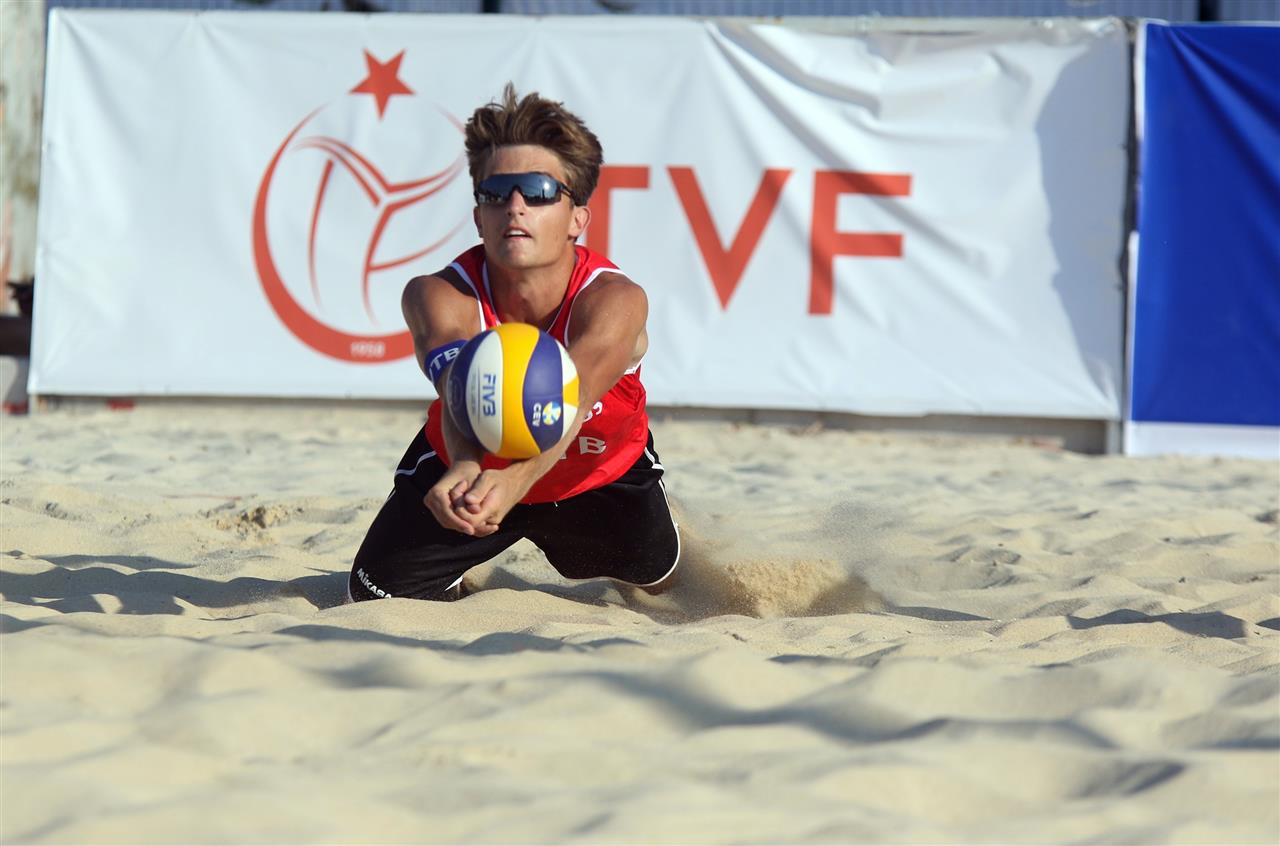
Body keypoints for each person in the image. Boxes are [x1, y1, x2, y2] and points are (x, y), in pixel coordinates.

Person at [348, 84, 680, 603]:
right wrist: (464, 465)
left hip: (596, 476)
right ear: (479, 217)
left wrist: (516, 481)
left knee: (662, 585)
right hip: (478, 463)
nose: (515, 207)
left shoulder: (613, 300)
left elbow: (571, 401)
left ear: (577, 218)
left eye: (539, 191)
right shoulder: (438, 296)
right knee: (373, 598)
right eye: (496, 193)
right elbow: (457, 393)